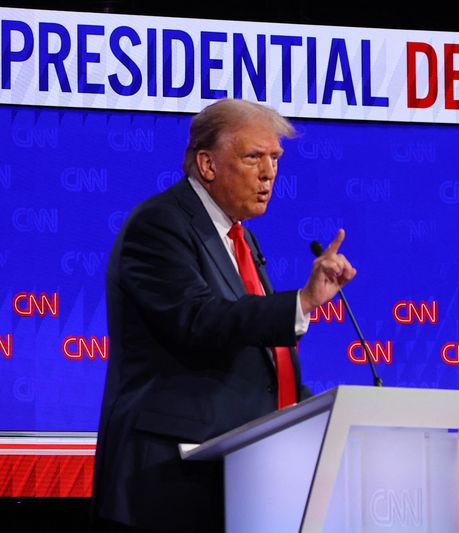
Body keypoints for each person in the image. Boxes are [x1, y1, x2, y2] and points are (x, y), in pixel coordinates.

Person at [92, 99, 356, 532]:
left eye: (274, 158)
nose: (269, 173)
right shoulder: (159, 225)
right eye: (253, 157)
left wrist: (332, 413)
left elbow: (252, 362)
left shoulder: (240, 238)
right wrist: (301, 303)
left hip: (235, 483)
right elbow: (198, 319)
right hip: (165, 485)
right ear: (207, 165)